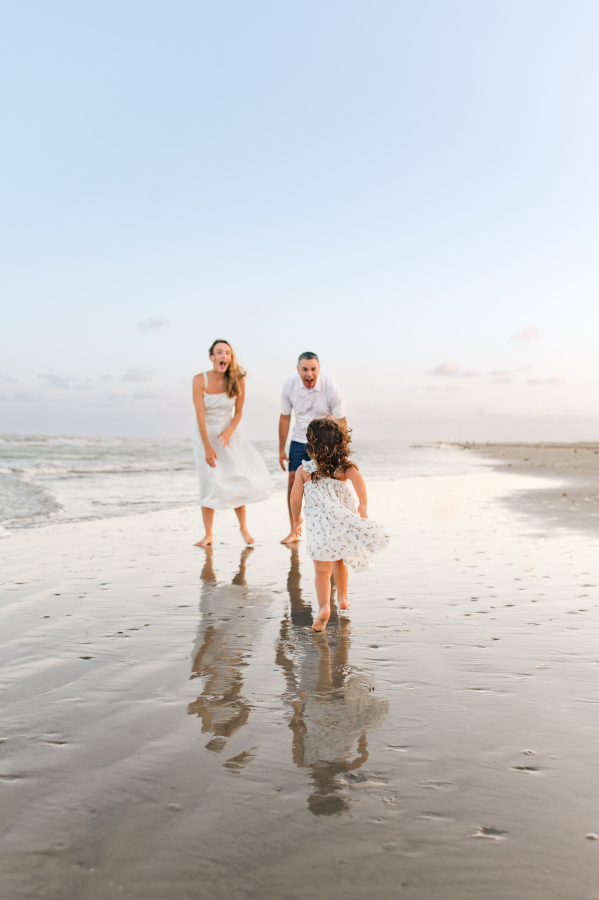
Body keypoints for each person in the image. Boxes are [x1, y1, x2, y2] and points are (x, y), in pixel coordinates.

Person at [289, 417, 389, 632]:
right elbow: (358, 479)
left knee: (321, 570)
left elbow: (295, 498)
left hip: (318, 530)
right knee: (340, 560)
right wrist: (363, 505)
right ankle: (342, 597)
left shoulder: (303, 471)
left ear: (310, 445)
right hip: (341, 525)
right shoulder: (343, 469)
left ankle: (325, 607)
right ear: (339, 444)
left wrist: (296, 519)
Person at [192, 339, 272, 548]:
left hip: (228, 435)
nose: (224, 356)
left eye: (227, 353)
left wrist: (229, 430)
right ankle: (208, 535)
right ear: (212, 357)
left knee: (236, 478)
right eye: (219, 352)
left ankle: (243, 529)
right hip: (205, 434)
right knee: (208, 481)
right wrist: (207, 447)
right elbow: (200, 416)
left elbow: (238, 413)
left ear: (230, 358)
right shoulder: (199, 380)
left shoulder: (237, 380)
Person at [279, 352, 346, 544]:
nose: (309, 374)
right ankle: (294, 528)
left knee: (331, 483)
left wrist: (342, 450)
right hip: (300, 439)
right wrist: (281, 449)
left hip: (325, 442)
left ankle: (334, 528)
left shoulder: (330, 386)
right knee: (293, 480)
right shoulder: (288, 386)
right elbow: (284, 417)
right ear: (298, 369)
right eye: (305, 369)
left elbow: (341, 419)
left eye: (313, 369)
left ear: (318, 369)